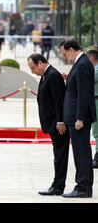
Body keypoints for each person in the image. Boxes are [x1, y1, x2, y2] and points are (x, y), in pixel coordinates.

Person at [27, 53, 70, 196]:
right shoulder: (47, 75)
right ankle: (57, 185)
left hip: (57, 124)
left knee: (60, 155)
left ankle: (58, 186)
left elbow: (59, 101)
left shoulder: (52, 75)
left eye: (33, 68)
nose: (32, 71)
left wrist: (60, 121)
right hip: (52, 122)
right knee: (58, 154)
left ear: (40, 63)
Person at [59, 39, 96, 198]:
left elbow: (84, 93)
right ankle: (84, 186)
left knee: (81, 153)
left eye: (65, 53)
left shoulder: (81, 64)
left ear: (72, 49)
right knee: (82, 153)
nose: (65, 57)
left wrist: (80, 118)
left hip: (78, 118)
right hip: (76, 117)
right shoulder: (80, 63)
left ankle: (82, 187)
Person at [85, 46, 98, 168]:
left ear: (91, 57)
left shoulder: (96, 69)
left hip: (96, 100)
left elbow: (87, 79)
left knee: (96, 130)